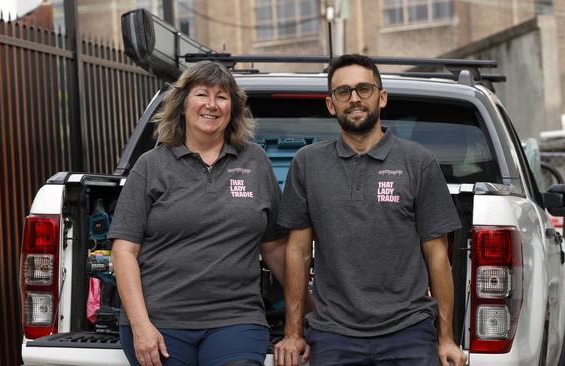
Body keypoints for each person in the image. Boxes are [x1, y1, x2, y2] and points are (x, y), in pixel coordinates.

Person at [274, 54, 467, 366]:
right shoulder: (307, 163)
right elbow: (297, 252)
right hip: (333, 333)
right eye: (343, 92)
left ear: (382, 97)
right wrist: (294, 332)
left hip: (409, 330)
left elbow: (437, 255)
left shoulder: (418, 162)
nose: (354, 99)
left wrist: (446, 338)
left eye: (364, 89)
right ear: (330, 104)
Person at [109, 61, 287, 366]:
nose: (212, 105)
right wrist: (141, 327)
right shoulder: (151, 166)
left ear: (233, 108)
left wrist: (308, 314)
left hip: (235, 318)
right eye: (202, 94)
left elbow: (275, 248)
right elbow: (124, 250)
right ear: (182, 105)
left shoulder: (256, 161)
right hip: (159, 321)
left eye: (222, 96)